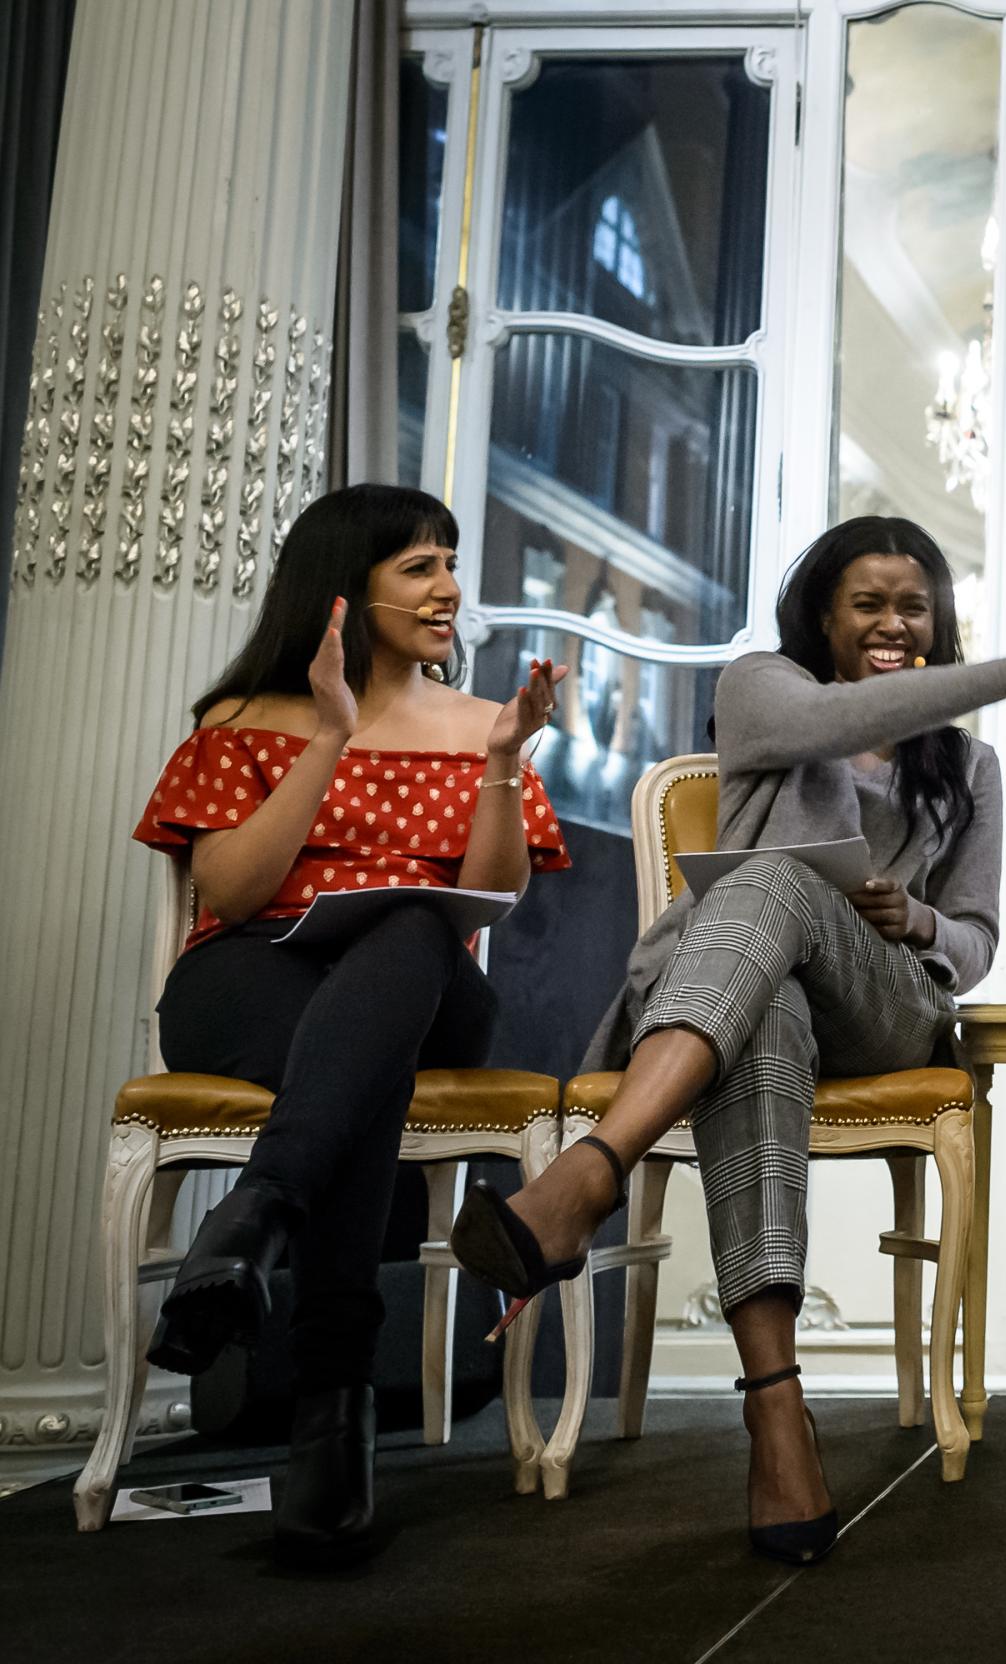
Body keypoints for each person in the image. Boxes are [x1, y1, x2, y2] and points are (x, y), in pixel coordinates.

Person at [451, 516, 1006, 1567]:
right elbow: (839, 715)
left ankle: (590, 1173)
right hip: (735, 996)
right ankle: (777, 1410)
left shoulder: (972, 766)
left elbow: (981, 939)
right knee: (765, 993)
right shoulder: (763, 687)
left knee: (773, 877)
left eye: (914, 604)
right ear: (823, 613)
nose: (895, 623)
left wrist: (922, 923)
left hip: (884, 1007)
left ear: (938, 617)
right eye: (869, 602)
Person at [133, 484, 569, 1565]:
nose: (449, 587)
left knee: (416, 924)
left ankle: (256, 1213)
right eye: (419, 565)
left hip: (424, 985)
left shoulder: (479, 724)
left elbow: (492, 897)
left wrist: (506, 760)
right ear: (346, 586)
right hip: (250, 977)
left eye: (450, 560)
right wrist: (329, 731)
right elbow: (230, 893)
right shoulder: (241, 723)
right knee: (355, 1078)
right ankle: (333, 1418)